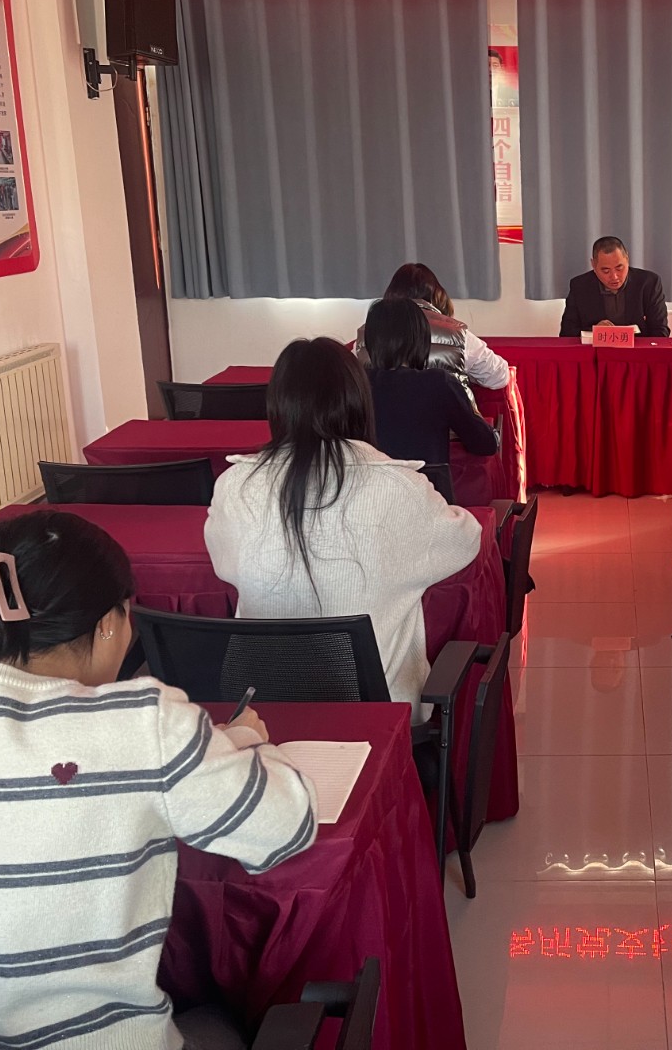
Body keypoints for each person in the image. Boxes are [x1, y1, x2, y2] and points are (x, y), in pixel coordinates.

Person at [0, 509, 316, 1050]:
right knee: (223, 1019)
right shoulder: (145, 724)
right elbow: (286, 826)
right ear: (111, 621)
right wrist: (248, 742)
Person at [205, 337, 483, 718]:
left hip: (260, 716)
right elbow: (467, 540)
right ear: (359, 401)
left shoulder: (236, 484)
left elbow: (224, 562)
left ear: (277, 407)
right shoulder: (397, 487)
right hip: (374, 721)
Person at [362, 299, 500, 467]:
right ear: (420, 340)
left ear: (370, 342)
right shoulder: (438, 383)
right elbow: (483, 443)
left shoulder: (355, 384)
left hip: (366, 482)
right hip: (426, 481)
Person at [381, 262, 510, 396]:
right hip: (444, 409)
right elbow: (500, 377)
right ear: (437, 296)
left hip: (385, 409)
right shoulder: (457, 334)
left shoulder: (370, 333)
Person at [558, 236, 670, 337]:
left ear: (627, 259)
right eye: (606, 271)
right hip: (598, 351)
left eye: (619, 268)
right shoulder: (580, 286)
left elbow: (661, 331)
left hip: (638, 351)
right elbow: (567, 333)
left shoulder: (648, 283)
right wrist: (595, 331)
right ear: (593, 265)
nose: (614, 277)